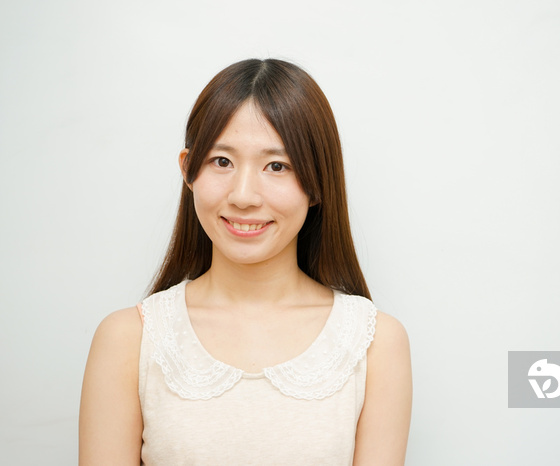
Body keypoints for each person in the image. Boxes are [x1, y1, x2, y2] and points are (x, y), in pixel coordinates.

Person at [79, 58, 412, 465]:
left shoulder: (375, 343)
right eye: (222, 161)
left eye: (277, 166)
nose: (244, 195)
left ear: (317, 182)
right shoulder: (128, 339)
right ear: (188, 169)